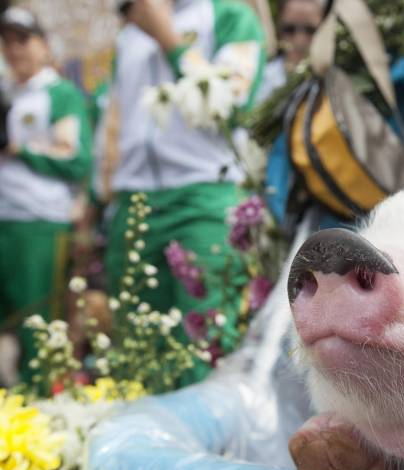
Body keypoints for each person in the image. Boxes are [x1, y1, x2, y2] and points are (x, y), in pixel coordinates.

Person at [102, 0, 265, 385]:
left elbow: (234, 103)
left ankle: (199, 444)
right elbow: (113, 121)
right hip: (133, 200)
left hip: (203, 196)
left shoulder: (230, 16)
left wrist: (169, 39)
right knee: (135, 346)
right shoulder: (128, 33)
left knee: (204, 343)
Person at [0, 7, 92, 385]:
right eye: (6, 40)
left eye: (22, 39)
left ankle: (37, 419)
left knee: (37, 327)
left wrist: (20, 149)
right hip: (4, 219)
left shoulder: (60, 93)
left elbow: (76, 159)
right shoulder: (7, 92)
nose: (14, 49)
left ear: (42, 44)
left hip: (40, 223)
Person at [255, 0, 323, 103]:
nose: (299, 40)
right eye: (289, 29)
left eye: (310, 30)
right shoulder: (259, 81)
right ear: (279, 30)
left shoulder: (335, 83)